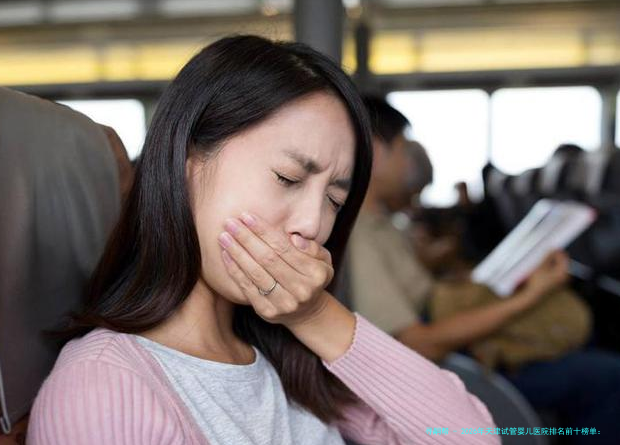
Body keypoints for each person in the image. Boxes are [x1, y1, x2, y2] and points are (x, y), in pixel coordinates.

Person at [27, 36, 499, 445]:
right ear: (188, 162)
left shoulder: (294, 362)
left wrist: (314, 315)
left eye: (334, 200)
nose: (313, 225)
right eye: (288, 178)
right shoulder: (104, 385)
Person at [347, 96, 620, 445]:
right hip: (455, 364)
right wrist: (530, 296)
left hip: (457, 340)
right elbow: (418, 342)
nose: (408, 160)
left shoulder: (381, 223)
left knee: (586, 343)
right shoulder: (360, 237)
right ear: (375, 149)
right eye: (403, 148)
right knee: (609, 376)